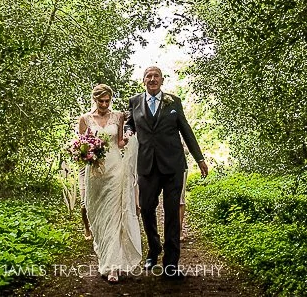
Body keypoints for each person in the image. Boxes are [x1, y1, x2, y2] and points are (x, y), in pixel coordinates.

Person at [125, 66, 209, 280]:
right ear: (143, 80)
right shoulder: (134, 101)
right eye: (148, 76)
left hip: (172, 166)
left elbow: (186, 130)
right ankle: (154, 249)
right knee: (145, 209)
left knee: (172, 213)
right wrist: (127, 131)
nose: (152, 79)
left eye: (156, 76)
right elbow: (130, 124)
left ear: (162, 80)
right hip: (147, 166)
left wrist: (199, 159)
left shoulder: (174, 102)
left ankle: (171, 264)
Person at [78, 83, 142, 283]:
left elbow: (120, 142)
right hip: (95, 173)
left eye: (107, 100)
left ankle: (113, 266)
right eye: (101, 101)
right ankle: (104, 257)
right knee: (99, 215)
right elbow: (81, 146)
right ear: (94, 100)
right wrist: (87, 153)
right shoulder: (85, 119)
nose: (105, 104)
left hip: (116, 169)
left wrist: (132, 139)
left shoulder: (118, 117)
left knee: (115, 215)